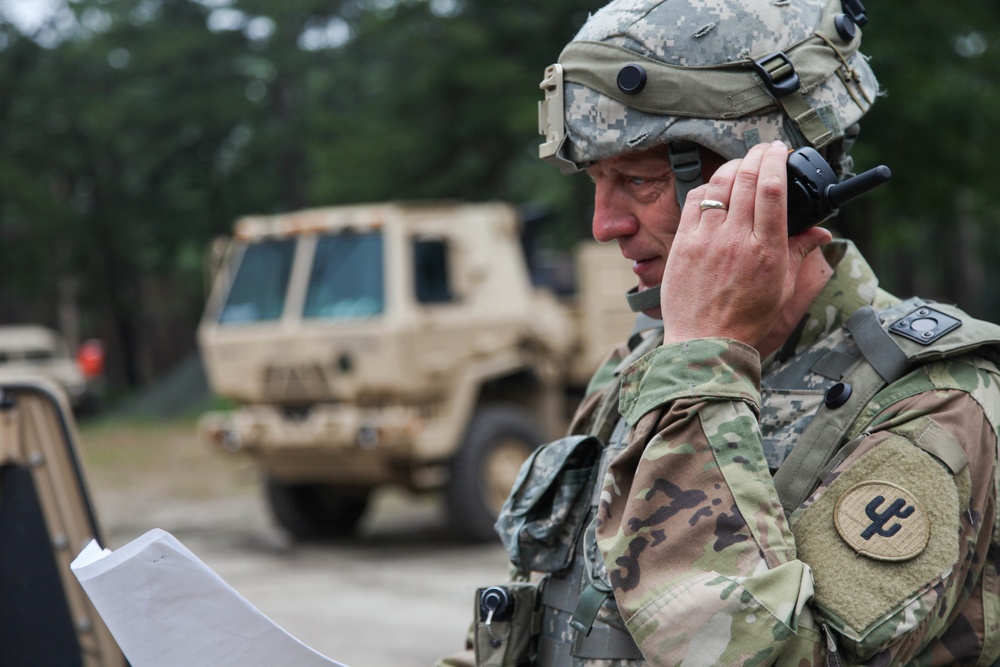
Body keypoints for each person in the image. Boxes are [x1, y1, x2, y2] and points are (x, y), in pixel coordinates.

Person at [441, 0, 1000, 664]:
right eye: (596, 183)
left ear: (779, 184)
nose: (603, 224)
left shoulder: (936, 403)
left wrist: (702, 362)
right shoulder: (643, 365)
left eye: (637, 180)